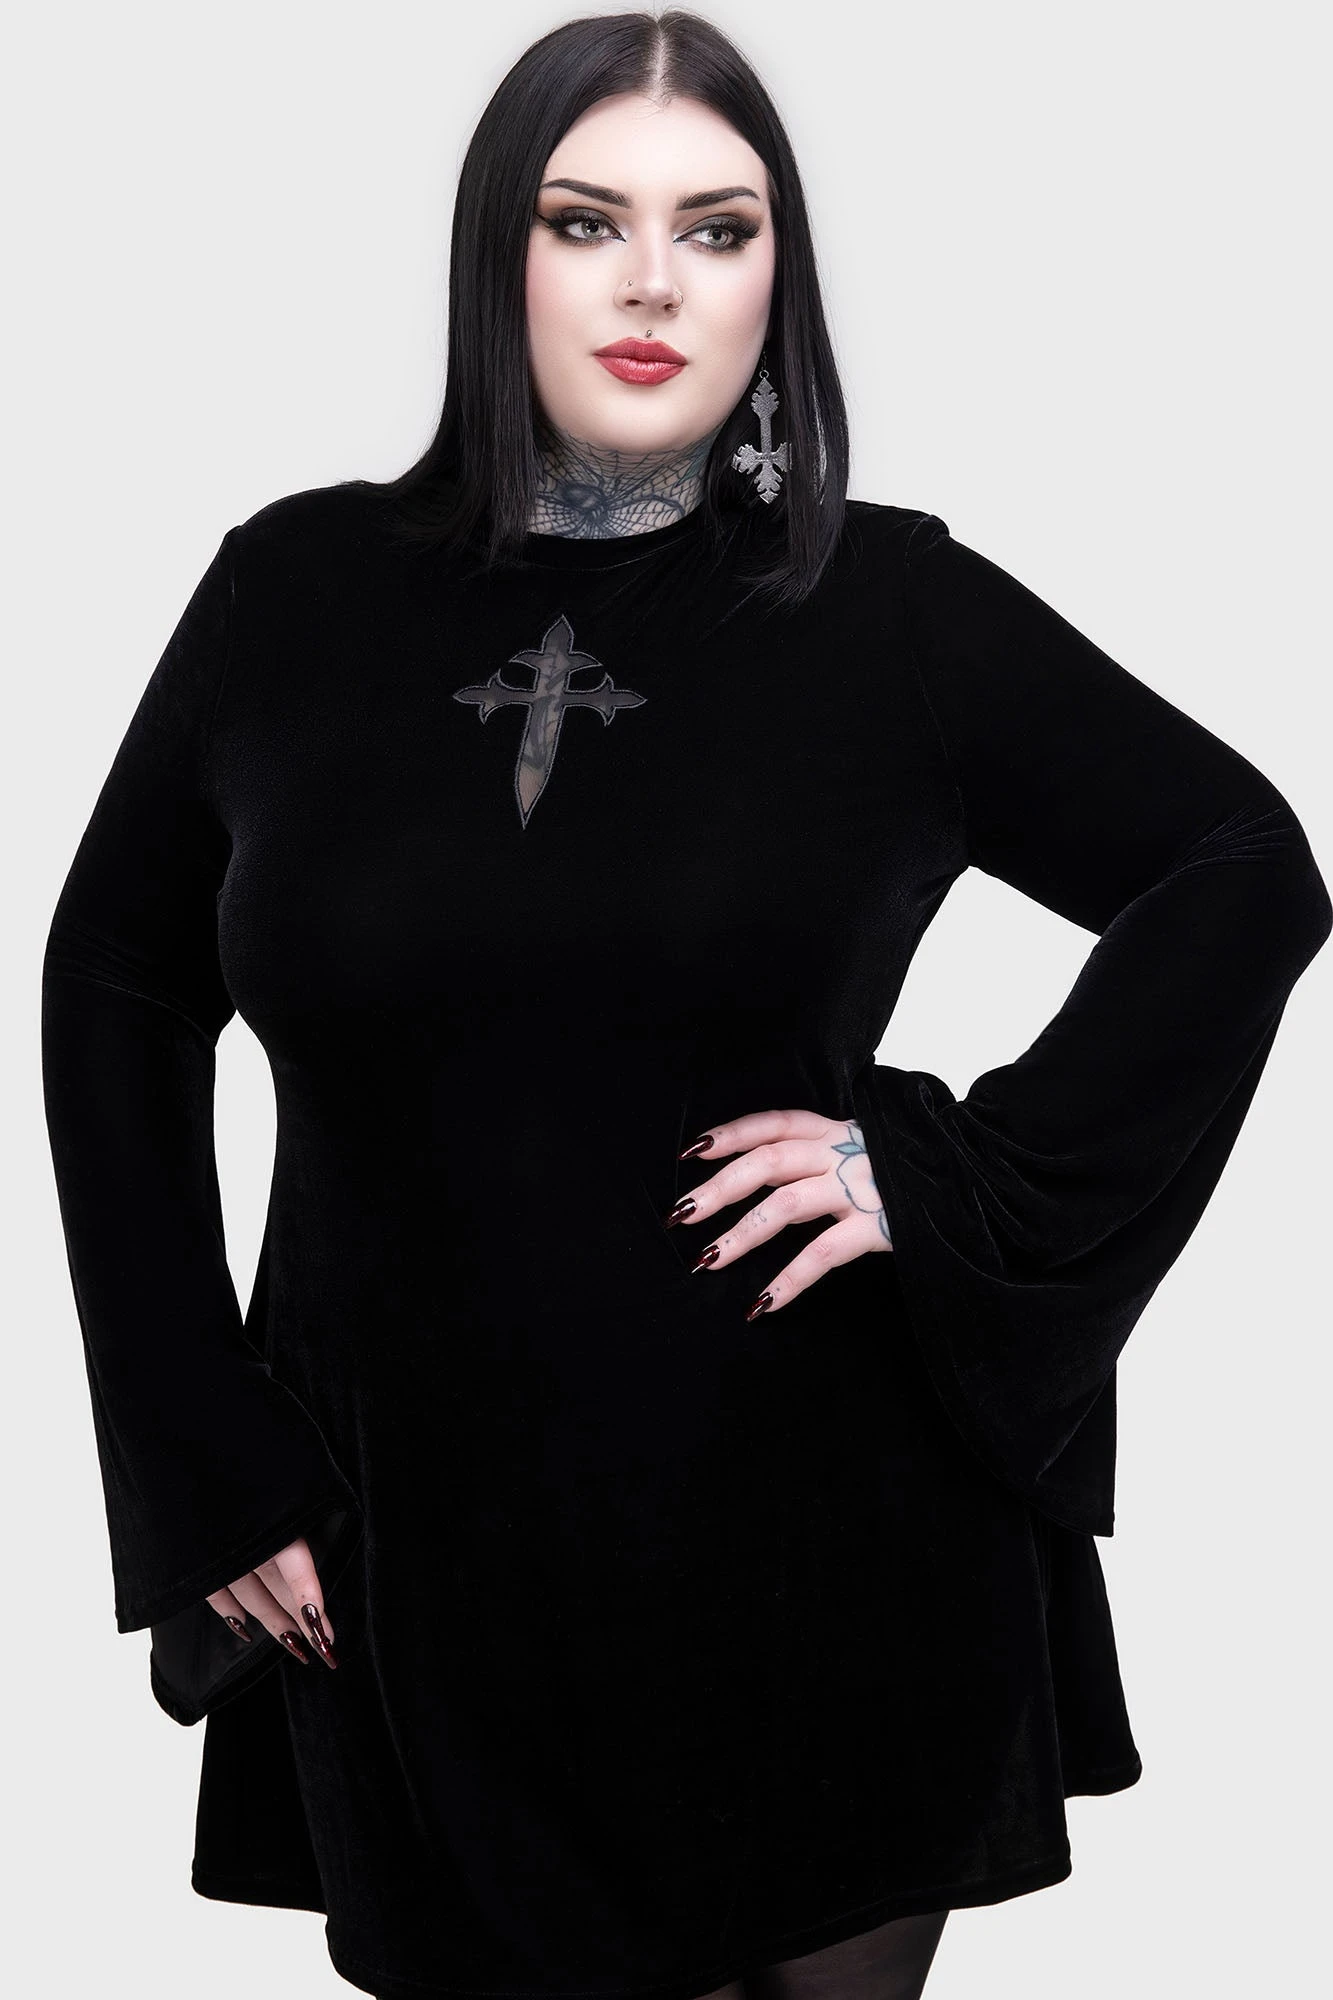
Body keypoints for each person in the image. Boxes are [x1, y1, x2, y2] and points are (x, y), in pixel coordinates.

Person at [39, 12, 1330, 2000]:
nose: (653, 282)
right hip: (416, 1549)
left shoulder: (891, 613)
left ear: (774, 280)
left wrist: (943, 1170)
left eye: (717, 230)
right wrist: (199, 1450)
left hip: (820, 1541)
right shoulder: (291, 596)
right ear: (499, 253)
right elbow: (115, 980)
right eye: (589, 221)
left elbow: (1241, 867)